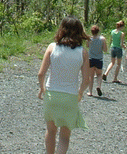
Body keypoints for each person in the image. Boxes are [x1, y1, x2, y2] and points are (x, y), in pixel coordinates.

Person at [38, 17, 90, 154]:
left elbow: (40, 74)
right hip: (70, 96)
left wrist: (41, 89)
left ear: (61, 29)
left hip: (52, 94)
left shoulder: (52, 47)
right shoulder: (83, 52)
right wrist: (80, 93)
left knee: (51, 131)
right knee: (64, 135)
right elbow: (86, 80)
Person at [87, 25, 108, 97]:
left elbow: (87, 46)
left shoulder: (89, 39)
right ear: (98, 31)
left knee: (91, 76)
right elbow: (105, 50)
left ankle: (90, 92)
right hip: (99, 59)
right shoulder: (102, 39)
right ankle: (98, 86)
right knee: (99, 74)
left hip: (91, 59)